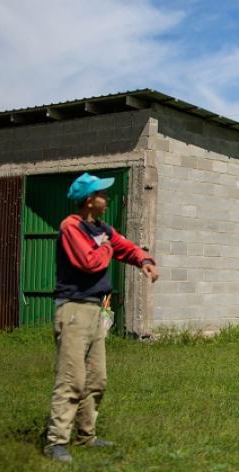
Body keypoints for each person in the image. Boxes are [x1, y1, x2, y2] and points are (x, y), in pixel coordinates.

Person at [45, 172, 159, 463]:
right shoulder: (71, 227)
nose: (106, 199)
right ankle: (56, 441)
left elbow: (125, 245)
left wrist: (143, 260)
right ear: (88, 200)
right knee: (72, 378)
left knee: (97, 378)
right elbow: (90, 262)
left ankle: (86, 436)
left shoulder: (101, 227)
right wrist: (107, 244)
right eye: (102, 194)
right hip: (74, 309)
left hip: (96, 309)